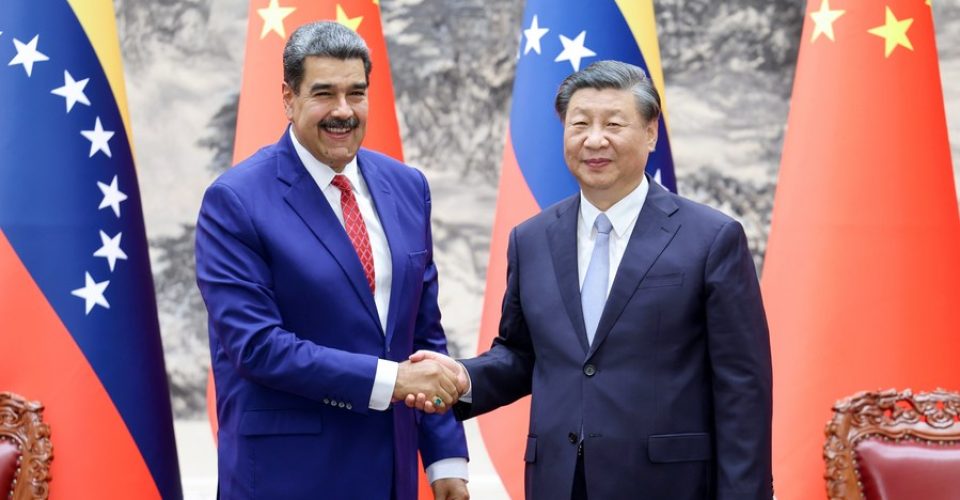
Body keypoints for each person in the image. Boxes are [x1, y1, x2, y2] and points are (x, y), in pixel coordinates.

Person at [409, 60, 772, 499]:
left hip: (669, 485)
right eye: (580, 123)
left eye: (614, 123)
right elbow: (524, 354)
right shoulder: (532, 239)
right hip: (559, 483)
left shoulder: (711, 239)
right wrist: (464, 378)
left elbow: (742, 389)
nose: (594, 139)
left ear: (651, 131)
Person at [196, 21, 469, 500]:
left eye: (356, 93)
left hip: (392, 476)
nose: (343, 111)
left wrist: (445, 458)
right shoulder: (235, 201)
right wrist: (395, 380)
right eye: (324, 93)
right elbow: (258, 346)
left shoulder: (408, 187)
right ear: (288, 98)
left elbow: (422, 334)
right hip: (289, 478)